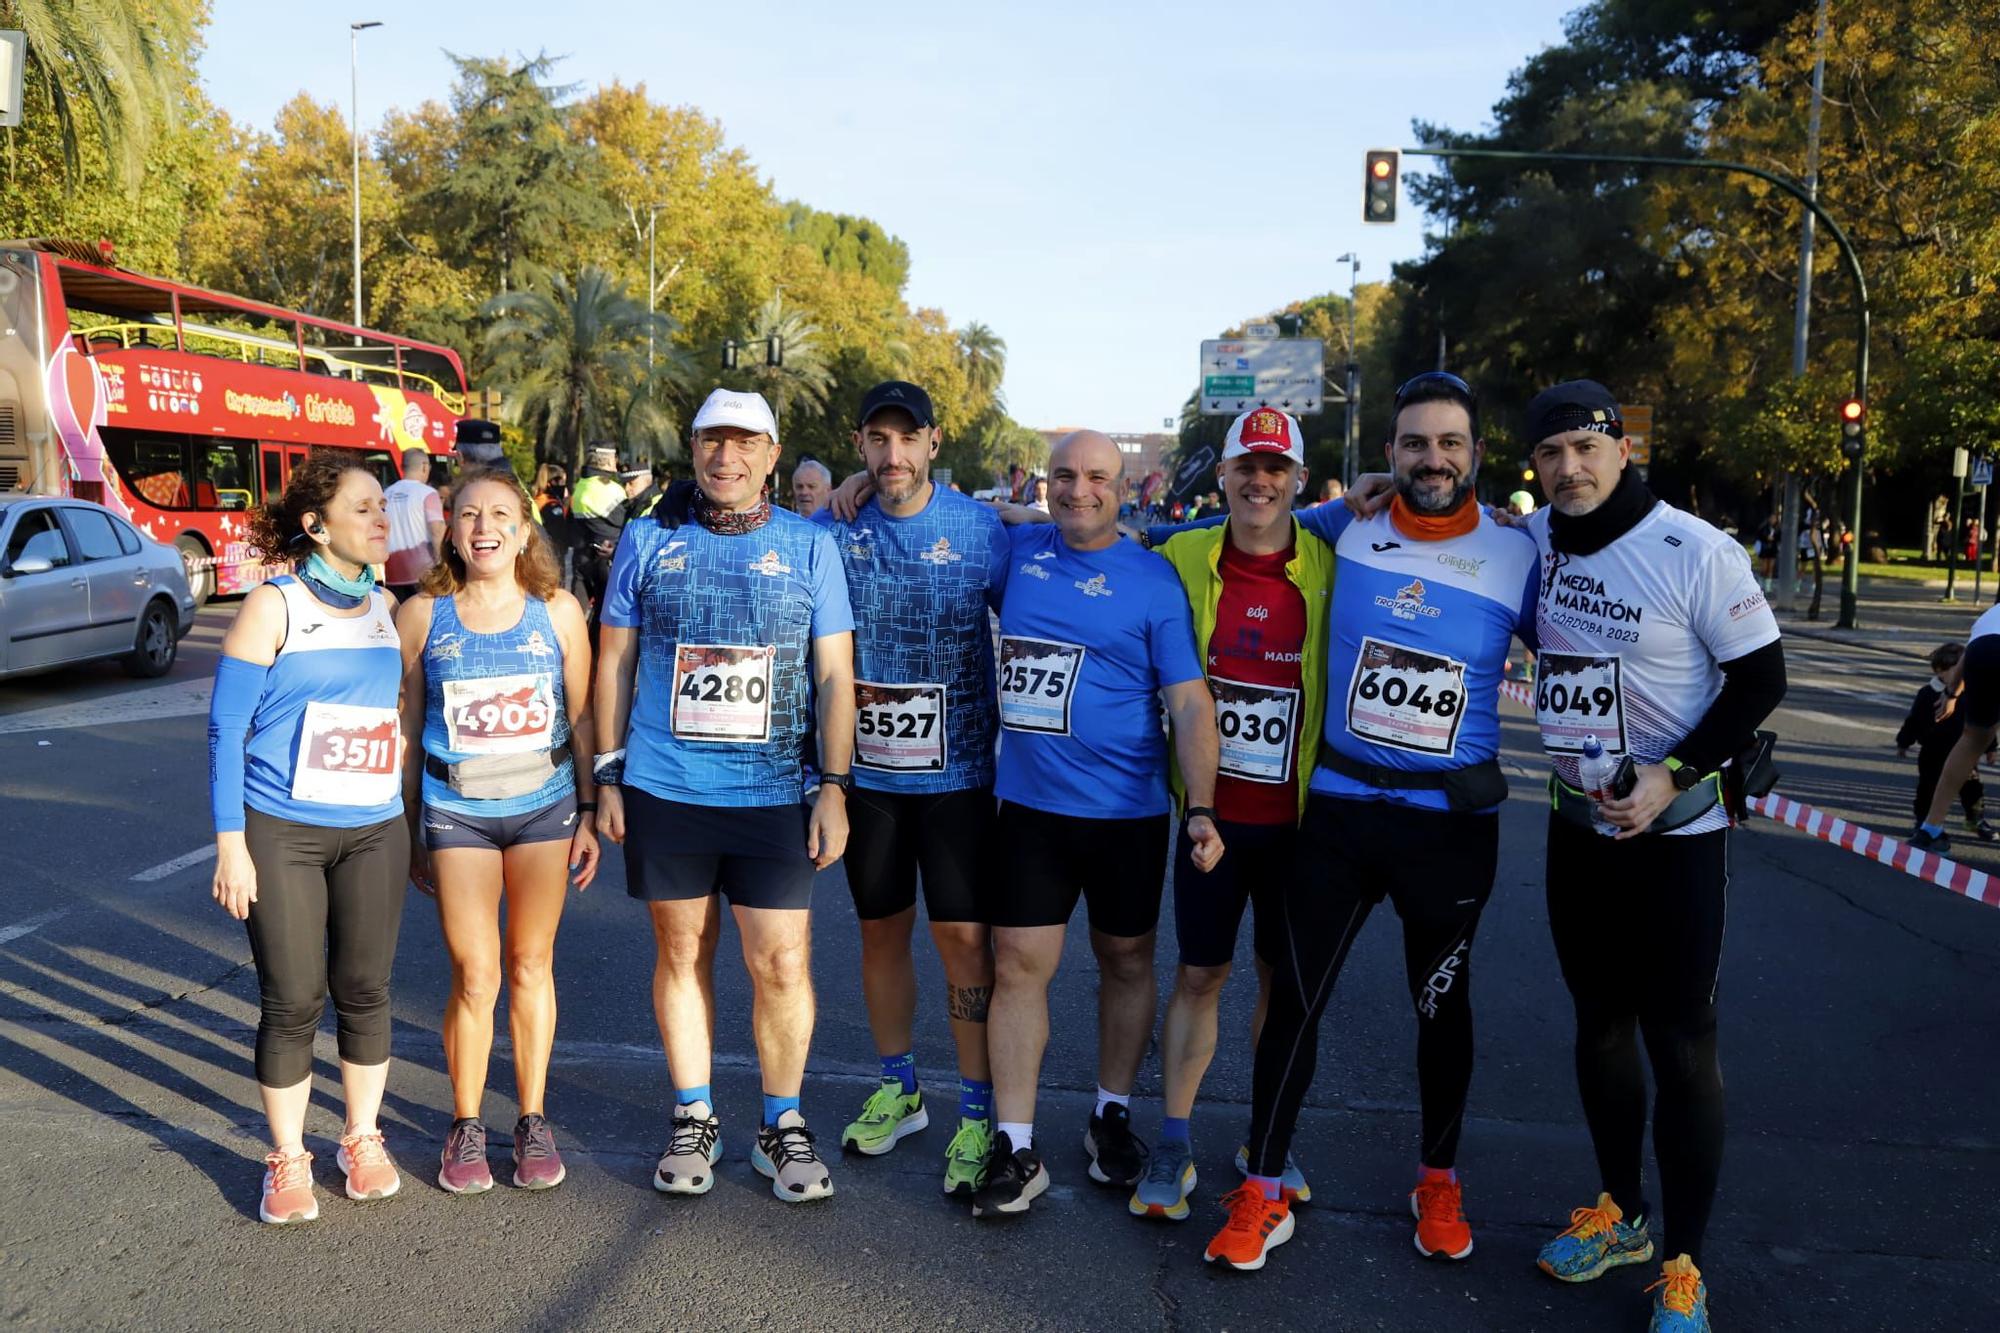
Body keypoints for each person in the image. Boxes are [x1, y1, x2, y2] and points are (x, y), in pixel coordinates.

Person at [1163, 372, 1540, 1273]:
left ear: (1476, 455)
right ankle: (1260, 1186)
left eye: (1450, 443)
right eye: (1416, 443)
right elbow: (1222, 531)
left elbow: (1591, 644)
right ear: (1389, 456)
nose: (1433, 458)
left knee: (1441, 1006)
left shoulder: (1518, 555)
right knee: (1295, 998)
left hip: (1446, 825)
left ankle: (1437, 1176)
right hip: (1335, 813)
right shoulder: (1345, 527)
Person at [1519, 381, 1785, 1333]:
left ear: (1622, 449)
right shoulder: (1537, 543)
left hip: (1675, 836)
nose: (1570, 467)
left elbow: (1763, 677)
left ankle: (1685, 1264)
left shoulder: (1696, 549)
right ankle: (1621, 1212)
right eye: (1550, 453)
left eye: (1586, 448)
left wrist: (1674, 773)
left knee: (1680, 1046)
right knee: (1598, 1025)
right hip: (1575, 830)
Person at [594, 388, 856, 1205]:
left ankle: (782, 1124)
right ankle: (695, 1113)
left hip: (776, 788)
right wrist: (605, 772)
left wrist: (836, 786)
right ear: (694, 448)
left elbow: (835, 673)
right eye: (712, 442)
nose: (726, 457)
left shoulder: (811, 547)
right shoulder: (646, 538)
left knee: (780, 960)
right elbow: (613, 663)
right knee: (681, 953)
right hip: (666, 785)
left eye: (745, 444)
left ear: (773, 456)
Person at [969, 430, 1223, 1219]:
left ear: (1125, 487)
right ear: (1045, 482)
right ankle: (1015, 1142)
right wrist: (854, 490)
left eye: (1098, 478)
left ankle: (1111, 1111)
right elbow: (935, 513)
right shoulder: (1016, 554)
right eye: (1064, 476)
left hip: (1126, 813)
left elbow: (1187, 701)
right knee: (1017, 964)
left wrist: (1204, 806)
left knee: (1127, 958)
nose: (1079, 490)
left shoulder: (1152, 579)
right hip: (1032, 809)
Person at [813, 381, 1012, 1195]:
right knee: (880, 934)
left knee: (963, 941)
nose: (892, 455)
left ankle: (976, 1108)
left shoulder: (980, 529)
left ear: (934, 441)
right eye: (877, 440)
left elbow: (1051, 571)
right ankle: (900, 1087)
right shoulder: (833, 529)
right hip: (867, 778)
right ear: (859, 444)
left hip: (959, 777)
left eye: (908, 439)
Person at [1135, 408, 1334, 1224]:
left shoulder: (1332, 560)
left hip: (1299, 824)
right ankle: (1174, 1137)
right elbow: (1080, 532)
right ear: (1222, 475)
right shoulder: (1181, 553)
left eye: (1276, 468)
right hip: (1208, 819)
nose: (1261, 481)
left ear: (1297, 478)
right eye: (1246, 467)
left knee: (1284, 984)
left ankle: (1267, 1139)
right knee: (1199, 973)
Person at [206, 449, 411, 1224]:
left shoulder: (389, 605)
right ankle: (288, 1155)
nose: (379, 519)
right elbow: (227, 726)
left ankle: (359, 1136)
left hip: (372, 828)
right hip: (281, 829)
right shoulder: (275, 605)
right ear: (315, 525)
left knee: (365, 988)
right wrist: (232, 842)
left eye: (382, 506)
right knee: (293, 997)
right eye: (362, 508)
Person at [397, 467, 600, 1196]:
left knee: (529, 963)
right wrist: (406, 821)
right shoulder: (424, 613)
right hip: (457, 812)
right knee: (475, 971)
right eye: (470, 514)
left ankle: (534, 1116)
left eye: (500, 515)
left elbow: (580, 717)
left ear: (524, 531)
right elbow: (407, 723)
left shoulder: (558, 611)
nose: (484, 527)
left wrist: (588, 809)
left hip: (545, 807)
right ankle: (465, 1122)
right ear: (450, 528)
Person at [1913, 609, 2000, 850]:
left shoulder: (1993, 612)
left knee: (1971, 740)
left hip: (1982, 650)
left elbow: (1971, 649)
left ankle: (1930, 830)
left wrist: (1952, 693)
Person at [1897, 643, 1996, 841]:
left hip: (1964, 752)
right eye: (1940, 671)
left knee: (1973, 790)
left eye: (1949, 670)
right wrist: (1904, 741)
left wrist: (1991, 748)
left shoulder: (1971, 693)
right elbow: (1914, 720)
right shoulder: (1927, 693)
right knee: (1927, 788)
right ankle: (1924, 821)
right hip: (1932, 752)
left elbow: (1984, 724)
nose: (1944, 676)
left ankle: (1975, 819)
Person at [569, 444, 629, 621]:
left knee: (577, 612)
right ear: (608, 461)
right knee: (606, 616)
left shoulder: (581, 485)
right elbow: (627, 522)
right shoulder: (610, 488)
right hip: (606, 557)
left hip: (581, 557)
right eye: (614, 459)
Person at [384, 445, 445, 601]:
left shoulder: (386, 494)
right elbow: (437, 531)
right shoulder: (427, 493)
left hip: (393, 574)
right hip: (425, 573)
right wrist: (442, 566)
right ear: (424, 467)